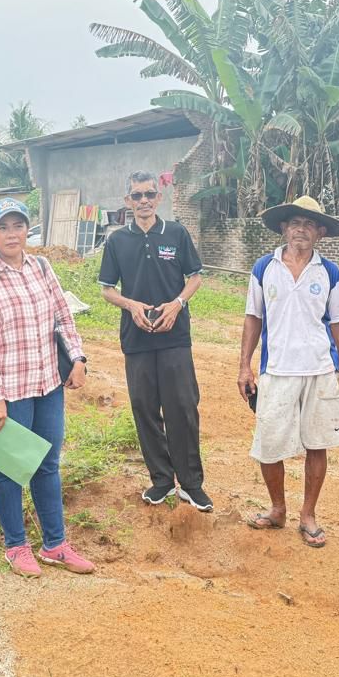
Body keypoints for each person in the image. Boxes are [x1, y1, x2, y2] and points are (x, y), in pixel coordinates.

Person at [0, 198, 95, 578]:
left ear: (27, 230)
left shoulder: (41, 266)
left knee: (48, 464)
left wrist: (78, 358)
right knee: (9, 468)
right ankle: (16, 546)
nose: (11, 234)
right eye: (3, 227)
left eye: (18, 225)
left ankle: (55, 545)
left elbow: (62, 315)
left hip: (46, 383)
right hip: (8, 389)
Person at [238, 196, 339, 548]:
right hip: (276, 370)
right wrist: (244, 365)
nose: (301, 229)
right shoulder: (264, 268)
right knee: (269, 445)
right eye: (295, 222)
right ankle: (278, 508)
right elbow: (253, 318)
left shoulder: (330, 272)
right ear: (283, 228)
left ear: (320, 232)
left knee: (317, 443)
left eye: (309, 224)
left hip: (320, 369)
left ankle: (308, 515)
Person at [98, 172, 209, 510]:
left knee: (183, 408)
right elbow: (107, 289)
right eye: (137, 195)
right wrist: (130, 305)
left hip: (174, 336)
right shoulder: (117, 241)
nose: (143, 201)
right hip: (137, 338)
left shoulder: (175, 233)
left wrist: (177, 304)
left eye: (149, 194)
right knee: (145, 409)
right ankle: (161, 480)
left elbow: (195, 278)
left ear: (159, 198)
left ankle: (191, 484)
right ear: (128, 201)